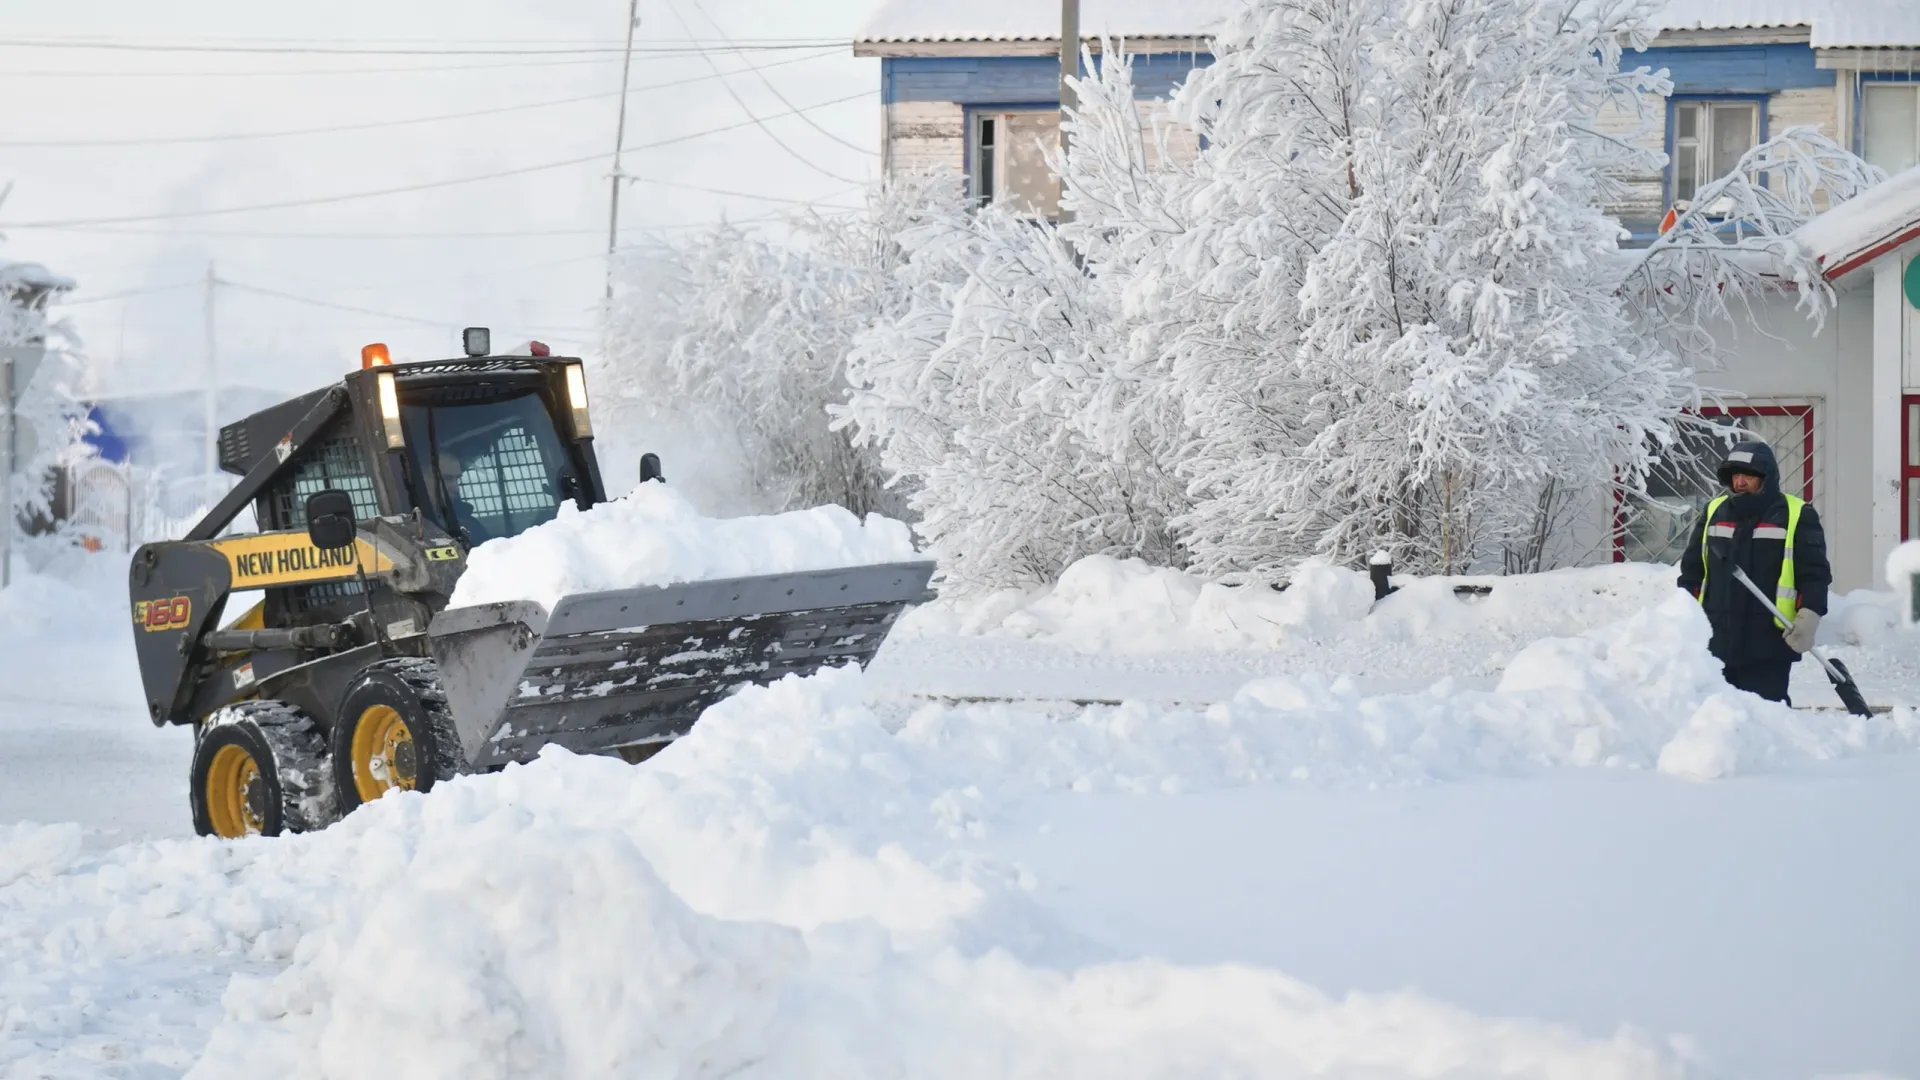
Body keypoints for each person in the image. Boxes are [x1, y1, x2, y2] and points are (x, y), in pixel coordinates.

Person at [1677, 440, 1831, 704]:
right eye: (1735, 475)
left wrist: (1810, 615)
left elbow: (1814, 574)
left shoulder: (1795, 515)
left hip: (1767, 644)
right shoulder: (1714, 511)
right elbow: (1692, 571)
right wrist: (1682, 615)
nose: (1740, 482)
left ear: (1766, 477)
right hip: (1715, 642)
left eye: (1748, 475)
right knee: (1714, 722)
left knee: (1767, 724)